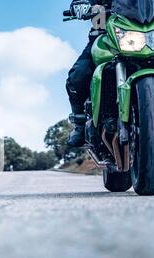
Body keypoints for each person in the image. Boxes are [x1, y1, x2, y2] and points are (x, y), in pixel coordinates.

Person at [66, 0, 113, 147]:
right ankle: (80, 124)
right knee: (77, 77)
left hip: (151, 36)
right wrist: (80, 5)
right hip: (106, 36)